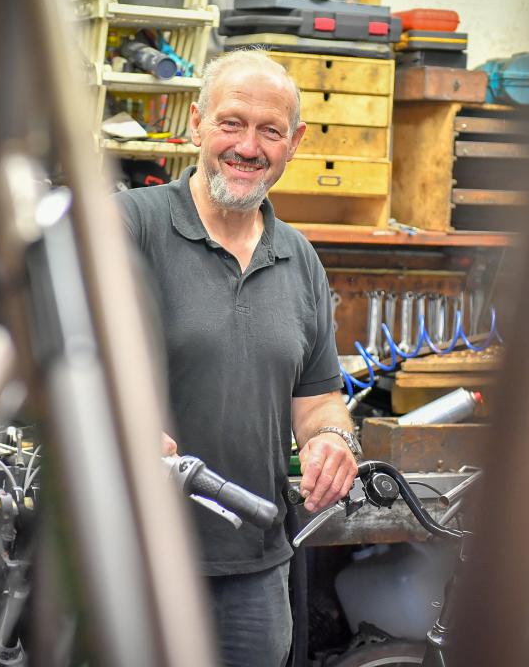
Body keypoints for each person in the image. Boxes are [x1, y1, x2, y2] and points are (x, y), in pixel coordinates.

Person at [115, 49, 359, 667]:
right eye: (232, 123)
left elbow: (320, 397)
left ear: (294, 142)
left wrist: (333, 439)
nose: (248, 147)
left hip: (255, 567)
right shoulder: (130, 227)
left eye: (270, 131)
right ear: (197, 124)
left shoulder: (299, 258)